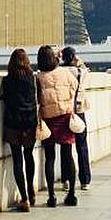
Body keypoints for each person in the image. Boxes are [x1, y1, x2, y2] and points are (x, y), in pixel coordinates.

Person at [36, 45, 79, 207]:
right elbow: (75, 86)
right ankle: (72, 194)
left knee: (50, 158)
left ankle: (52, 196)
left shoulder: (39, 77)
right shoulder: (65, 72)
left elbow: (38, 99)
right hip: (65, 117)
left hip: (48, 119)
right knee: (68, 156)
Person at [0, 48, 37, 212]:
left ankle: (24, 198)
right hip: (30, 122)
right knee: (29, 156)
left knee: (17, 160)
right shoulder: (31, 78)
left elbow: (7, 100)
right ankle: (31, 190)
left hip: (13, 124)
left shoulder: (7, 81)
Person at [60, 46, 92, 191]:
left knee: (65, 146)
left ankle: (66, 179)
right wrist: (78, 61)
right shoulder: (81, 71)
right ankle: (85, 180)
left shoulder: (60, 72)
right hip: (79, 111)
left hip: (65, 111)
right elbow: (85, 68)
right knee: (82, 145)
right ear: (74, 57)